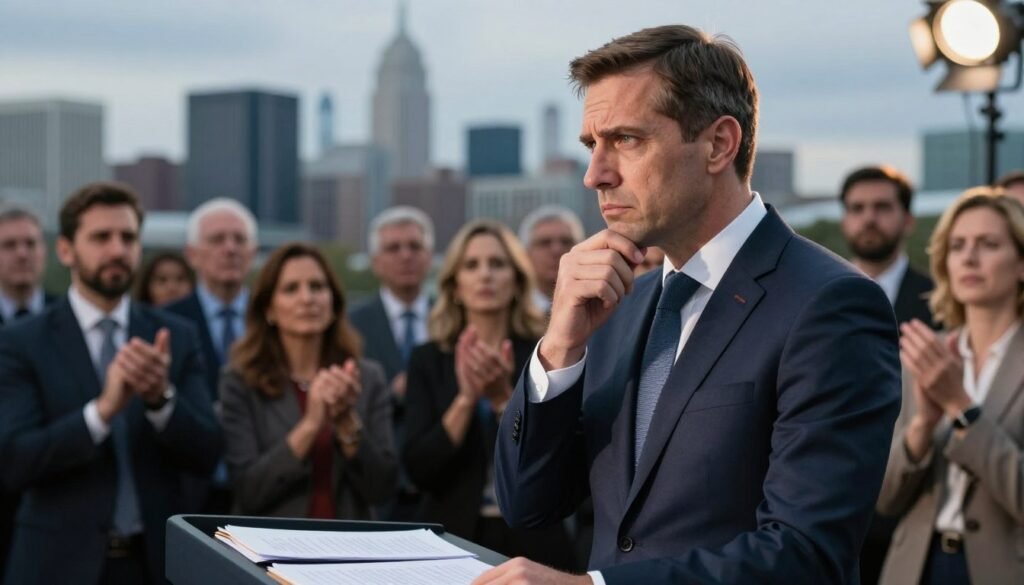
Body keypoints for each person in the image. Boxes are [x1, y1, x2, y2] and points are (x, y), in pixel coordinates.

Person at [479, 25, 901, 585]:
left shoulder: (832, 306)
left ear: (718, 145)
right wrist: (559, 346)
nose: (595, 174)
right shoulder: (617, 308)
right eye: (591, 144)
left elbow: (807, 554)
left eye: (626, 140)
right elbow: (528, 504)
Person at [0, 182, 222, 585]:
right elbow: (14, 461)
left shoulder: (176, 336)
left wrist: (161, 401)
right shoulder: (21, 342)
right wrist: (100, 413)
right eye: (101, 237)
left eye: (128, 237)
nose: (118, 250)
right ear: (65, 250)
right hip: (56, 566)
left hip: (156, 564)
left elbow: (208, 454)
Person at [403, 220, 575, 570]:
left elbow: (559, 461)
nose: (485, 275)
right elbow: (419, 470)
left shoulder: (546, 352)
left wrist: (502, 402)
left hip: (535, 541)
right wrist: (466, 400)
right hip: (449, 539)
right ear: (454, 285)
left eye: (497, 264)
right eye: (472, 265)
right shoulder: (429, 359)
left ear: (516, 279)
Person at [877, 188, 1024, 585]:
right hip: (913, 569)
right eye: (958, 246)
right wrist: (923, 425)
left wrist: (961, 406)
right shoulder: (929, 353)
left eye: (989, 244)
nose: (969, 258)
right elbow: (886, 498)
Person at [220, 243, 397, 519]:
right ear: (269, 309)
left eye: (317, 287)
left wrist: (345, 421)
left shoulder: (365, 377)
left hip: (351, 551)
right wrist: (311, 425)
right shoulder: (241, 381)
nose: (307, 298)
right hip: (270, 550)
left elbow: (382, 488)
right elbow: (248, 491)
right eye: (291, 289)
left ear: (333, 302)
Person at [165, 197, 257, 513]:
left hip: (264, 490)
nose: (230, 248)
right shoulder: (164, 325)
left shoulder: (277, 319)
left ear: (253, 253)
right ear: (192, 254)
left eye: (240, 239)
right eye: (217, 239)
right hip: (187, 490)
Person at [349, 206, 434, 520]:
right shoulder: (350, 325)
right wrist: (392, 391)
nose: (405, 256)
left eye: (415, 246)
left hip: (440, 487)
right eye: (393, 248)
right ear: (375, 262)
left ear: (429, 256)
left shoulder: (454, 320)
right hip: (377, 486)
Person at [0, 205, 56, 578]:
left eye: (30, 243)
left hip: (53, 494)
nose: (22, 253)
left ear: (45, 252)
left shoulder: (69, 318)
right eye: (9, 245)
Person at [840, 165, 935, 329]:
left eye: (882, 207)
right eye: (857, 208)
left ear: (908, 221)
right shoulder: (818, 295)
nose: (869, 218)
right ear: (844, 222)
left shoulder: (937, 300)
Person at [518, 205, 585, 313]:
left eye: (566, 241)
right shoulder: (509, 314)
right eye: (544, 243)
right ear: (525, 254)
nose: (556, 250)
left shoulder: (605, 307)